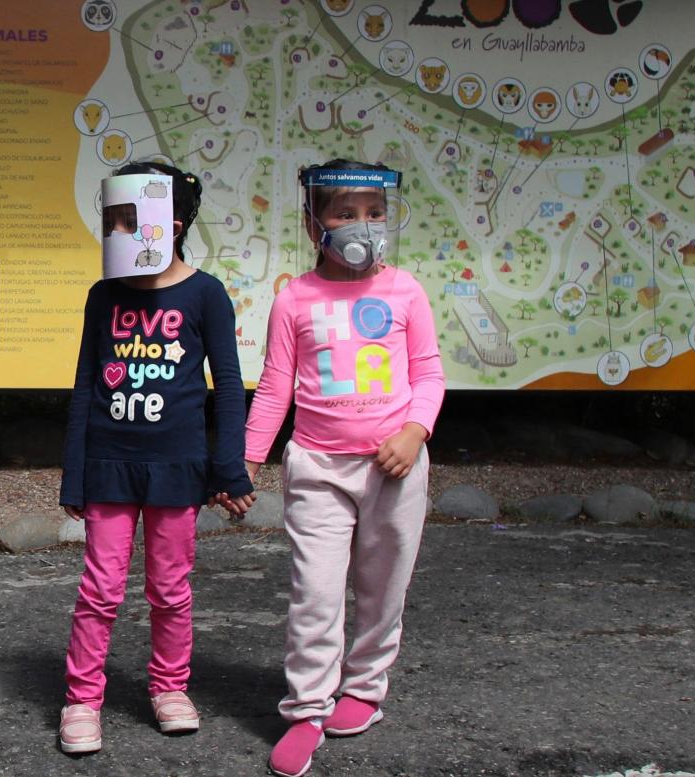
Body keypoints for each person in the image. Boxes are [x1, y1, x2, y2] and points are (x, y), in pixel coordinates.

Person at [242, 159, 445, 777]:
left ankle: (363, 689)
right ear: (314, 225)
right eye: (346, 214)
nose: (364, 225)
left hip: (395, 470)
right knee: (316, 592)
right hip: (318, 466)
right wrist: (247, 459)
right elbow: (276, 386)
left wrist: (413, 432)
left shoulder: (406, 290)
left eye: (374, 213)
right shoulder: (294, 299)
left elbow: (429, 374)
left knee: (384, 586)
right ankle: (306, 708)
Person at [58, 161, 255, 755]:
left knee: (171, 590)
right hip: (110, 467)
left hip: (178, 467)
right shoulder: (102, 297)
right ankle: (82, 699)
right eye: (109, 221)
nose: (115, 232)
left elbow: (227, 381)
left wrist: (229, 469)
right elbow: (86, 383)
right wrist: (75, 472)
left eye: (128, 221)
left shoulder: (205, 294)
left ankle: (170, 689)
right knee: (99, 590)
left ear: (167, 225)